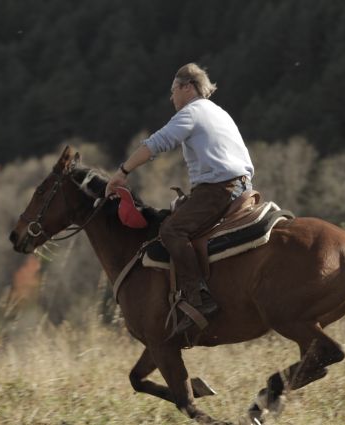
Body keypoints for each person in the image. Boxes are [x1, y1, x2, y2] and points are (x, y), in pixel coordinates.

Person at [107, 63, 254, 335]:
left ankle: (198, 298)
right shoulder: (219, 112)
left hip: (218, 189)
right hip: (241, 186)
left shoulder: (192, 112)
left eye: (173, 90)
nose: (171, 98)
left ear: (187, 87)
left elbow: (155, 144)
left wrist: (122, 172)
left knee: (171, 230)